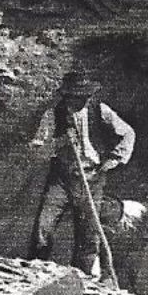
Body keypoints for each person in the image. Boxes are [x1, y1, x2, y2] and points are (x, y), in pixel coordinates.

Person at [28, 70, 136, 276]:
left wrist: (114, 159)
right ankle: (36, 271)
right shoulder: (53, 115)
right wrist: (58, 143)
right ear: (68, 95)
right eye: (77, 96)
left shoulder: (99, 111)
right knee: (44, 224)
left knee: (88, 233)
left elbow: (127, 133)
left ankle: (83, 277)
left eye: (85, 96)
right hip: (62, 178)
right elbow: (37, 150)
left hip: (92, 177)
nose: (82, 101)